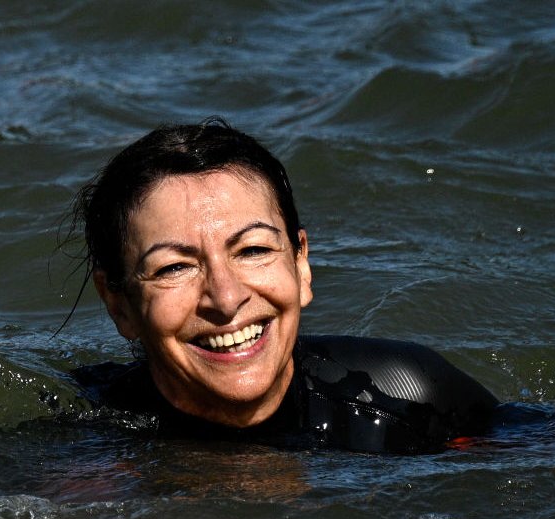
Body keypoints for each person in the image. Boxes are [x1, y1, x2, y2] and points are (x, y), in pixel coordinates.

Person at [63, 118, 499, 454]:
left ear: (301, 264)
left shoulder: (407, 397)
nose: (227, 298)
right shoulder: (84, 446)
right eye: (174, 267)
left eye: (253, 250)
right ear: (119, 304)